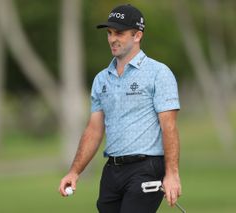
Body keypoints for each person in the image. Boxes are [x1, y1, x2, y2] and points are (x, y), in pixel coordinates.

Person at [58, 4, 182, 213]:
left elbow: (168, 127)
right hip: (112, 171)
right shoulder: (101, 80)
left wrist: (172, 174)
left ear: (137, 36)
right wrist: (74, 172)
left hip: (146, 168)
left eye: (119, 33)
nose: (112, 38)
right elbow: (94, 130)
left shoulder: (159, 73)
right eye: (109, 33)